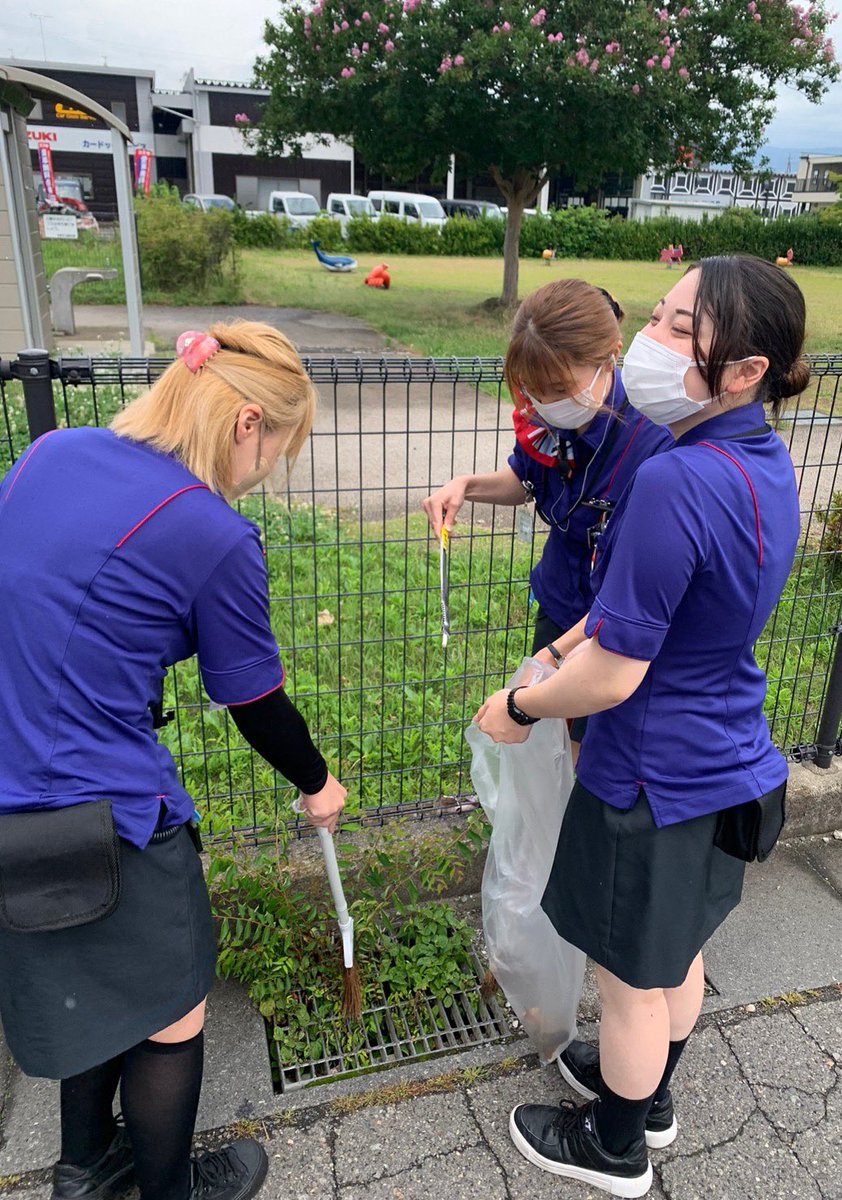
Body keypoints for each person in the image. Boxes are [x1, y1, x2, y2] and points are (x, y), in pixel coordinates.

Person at [474, 255, 806, 1197]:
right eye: (655, 317)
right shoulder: (759, 461)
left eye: (674, 329)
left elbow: (614, 674)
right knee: (678, 946)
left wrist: (521, 704)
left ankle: (615, 1143)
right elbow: (642, 615)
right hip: (728, 752)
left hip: (649, 772)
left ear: (743, 369)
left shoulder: (673, 481)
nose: (647, 345)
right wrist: (569, 644)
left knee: (626, 975)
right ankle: (652, 1096)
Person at [0, 322, 346, 1200]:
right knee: (169, 1003)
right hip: (100, 806)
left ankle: (85, 1170)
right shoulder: (212, 532)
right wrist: (319, 780)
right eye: (277, 449)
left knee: (96, 979)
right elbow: (253, 701)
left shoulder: (52, 453)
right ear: (245, 425)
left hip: (8, 778)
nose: (266, 470)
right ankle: (165, 1191)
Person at [423, 278, 670, 751]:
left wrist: (558, 655)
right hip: (560, 603)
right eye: (533, 390)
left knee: (596, 747)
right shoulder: (546, 418)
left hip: (613, 625)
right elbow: (525, 480)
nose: (546, 402)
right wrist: (466, 487)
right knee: (555, 741)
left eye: (559, 387)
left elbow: (635, 588)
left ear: (610, 356)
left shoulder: (652, 442)